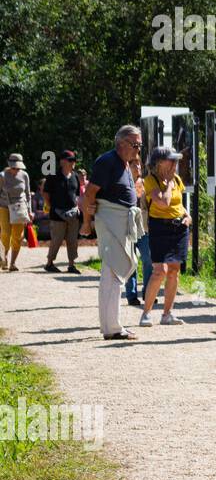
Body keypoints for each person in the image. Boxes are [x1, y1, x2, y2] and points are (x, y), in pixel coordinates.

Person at [81, 126, 144, 341]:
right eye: (136, 145)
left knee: (113, 274)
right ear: (122, 143)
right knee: (113, 273)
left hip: (120, 222)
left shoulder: (125, 164)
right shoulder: (107, 161)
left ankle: (112, 326)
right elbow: (89, 193)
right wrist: (87, 223)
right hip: (111, 222)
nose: (138, 149)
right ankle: (113, 328)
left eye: (140, 145)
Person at [138, 147, 192, 327]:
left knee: (174, 271)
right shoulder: (150, 181)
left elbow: (178, 203)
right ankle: (146, 313)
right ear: (159, 163)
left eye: (176, 160)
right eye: (171, 160)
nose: (175, 164)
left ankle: (167, 314)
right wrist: (168, 184)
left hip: (179, 229)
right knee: (160, 270)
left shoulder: (177, 179)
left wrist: (187, 215)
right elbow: (163, 202)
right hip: (159, 227)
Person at [39, 150, 82, 273]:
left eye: (73, 160)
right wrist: (52, 206)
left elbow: (77, 194)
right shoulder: (53, 176)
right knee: (56, 240)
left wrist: (76, 208)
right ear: (62, 161)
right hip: (57, 214)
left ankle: (71, 265)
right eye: (70, 160)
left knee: (73, 240)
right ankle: (49, 263)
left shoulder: (75, 176)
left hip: (73, 214)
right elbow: (46, 193)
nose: (73, 162)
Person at [122, 155, 152, 306]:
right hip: (127, 229)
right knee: (130, 262)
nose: (138, 167)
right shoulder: (123, 184)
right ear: (128, 166)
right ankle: (131, 295)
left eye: (139, 165)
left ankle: (148, 292)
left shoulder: (145, 184)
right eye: (134, 165)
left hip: (144, 228)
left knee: (148, 260)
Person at [1, 154, 34, 272]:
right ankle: (3, 259)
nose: (16, 170)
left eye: (18, 168)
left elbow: (28, 194)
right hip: (4, 207)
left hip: (20, 208)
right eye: (14, 168)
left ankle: (13, 263)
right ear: (9, 165)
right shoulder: (2, 175)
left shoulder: (25, 175)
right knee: (5, 233)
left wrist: (30, 211)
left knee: (18, 236)